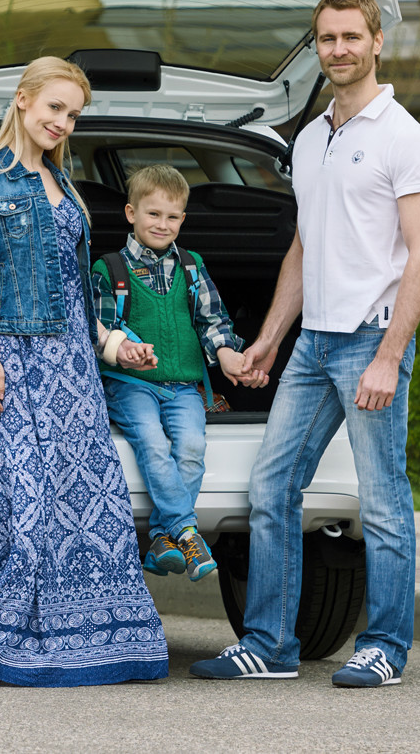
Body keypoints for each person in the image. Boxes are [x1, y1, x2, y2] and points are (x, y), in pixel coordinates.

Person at [188, 0, 420, 687]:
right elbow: (305, 248)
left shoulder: (403, 137)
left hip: (371, 339)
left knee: (383, 497)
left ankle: (385, 646)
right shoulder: (309, 136)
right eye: (327, 39)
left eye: (351, 36)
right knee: (271, 489)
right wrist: (270, 338)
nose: (339, 49)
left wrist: (390, 357)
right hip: (315, 344)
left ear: (376, 41)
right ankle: (270, 644)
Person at [0, 56, 169, 687]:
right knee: (21, 503)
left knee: (87, 505)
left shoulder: (68, 186)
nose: (63, 122)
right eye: (55, 107)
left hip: (76, 368)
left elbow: (77, 290)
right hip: (19, 359)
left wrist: (112, 346)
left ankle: (95, 639)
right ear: (24, 101)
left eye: (73, 114)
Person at [92, 164, 264, 583]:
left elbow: (213, 321)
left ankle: (162, 540)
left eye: (172, 217)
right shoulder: (110, 270)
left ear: (183, 220)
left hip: (185, 385)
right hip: (132, 386)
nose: (162, 224)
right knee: (152, 443)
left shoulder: (190, 267)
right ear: (131, 213)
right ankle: (188, 532)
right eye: (153, 214)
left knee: (189, 447)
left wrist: (226, 354)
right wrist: (123, 352)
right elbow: (99, 333)